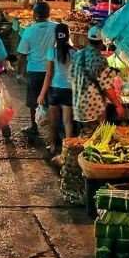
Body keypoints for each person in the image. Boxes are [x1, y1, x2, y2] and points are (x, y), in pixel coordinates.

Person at [70, 26, 125, 136]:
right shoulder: (99, 59)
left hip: (78, 105)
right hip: (94, 108)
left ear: (88, 40)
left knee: (85, 134)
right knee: (96, 138)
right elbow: (106, 86)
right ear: (101, 42)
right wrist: (118, 105)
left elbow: (72, 76)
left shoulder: (77, 55)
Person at [17, 1, 58, 137]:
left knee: (33, 101)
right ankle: (53, 131)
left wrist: (19, 73)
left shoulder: (29, 31)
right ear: (49, 14)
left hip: (34, 71)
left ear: (34, 15)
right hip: (52, 71)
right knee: (51, 101)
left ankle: (34, 126)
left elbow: (22, 54)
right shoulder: (57, 28)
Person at [37, 23, 75, 159]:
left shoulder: (51, 52)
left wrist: (42, 93)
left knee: (54, 121)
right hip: (69, 89)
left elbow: (49, 74)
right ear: (68, 36)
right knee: (67, 122)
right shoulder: (74, 52)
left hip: (54, 90)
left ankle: (53, 145)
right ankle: (69, 149)